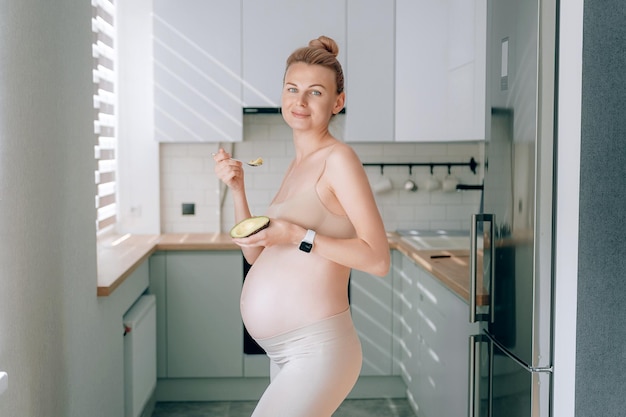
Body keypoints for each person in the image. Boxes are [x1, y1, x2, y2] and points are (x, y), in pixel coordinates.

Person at [213, 35, 390, 417]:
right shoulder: (296, 166)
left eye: (315, 92)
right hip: (287, 351)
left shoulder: (339, 159)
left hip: (319, 349)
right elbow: (255, 252)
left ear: (337, 102)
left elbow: (378, 260)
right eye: (292, 89)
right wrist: (237, 189)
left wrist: (299, 235)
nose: (300, 101)